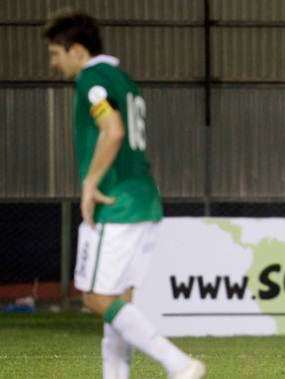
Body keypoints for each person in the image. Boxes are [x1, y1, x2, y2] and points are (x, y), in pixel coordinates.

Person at [44, 9, 204, 379]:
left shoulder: (92, 78)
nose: (53, 63)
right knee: (118, 303)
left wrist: (89, 184)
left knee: (95, 298)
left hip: (116, 204)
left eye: (55, 53)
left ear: (76, 50)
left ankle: (178, 364)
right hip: (145, 201)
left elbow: (112, 130)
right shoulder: (123, 79)